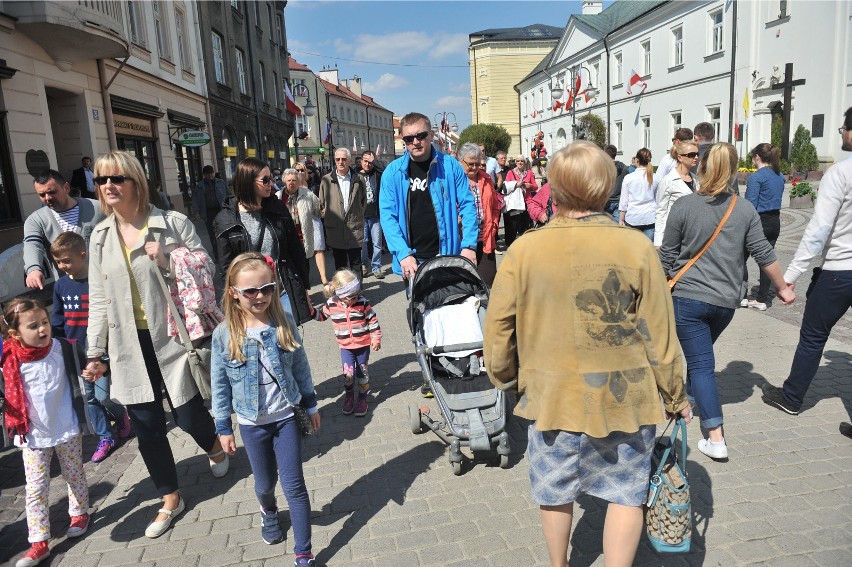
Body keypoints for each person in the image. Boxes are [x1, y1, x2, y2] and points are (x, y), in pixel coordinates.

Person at [483, 141, 690, 567]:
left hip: (551, 395)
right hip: (625, 397)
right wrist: (674, 394)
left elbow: (499, 325)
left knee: (554, 490)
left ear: (553, 188)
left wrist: (504, 377)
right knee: (627, 492)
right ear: (605, 186)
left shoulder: (523, 250)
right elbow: (659, 335)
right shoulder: (637, 248)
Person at [84, 151, 228, 539]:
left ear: (136, 181)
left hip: (173, 334)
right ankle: (170, 497)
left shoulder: (172, 223)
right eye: (101, 180)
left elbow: (207, 267)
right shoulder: (98, 236)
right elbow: (98, 298)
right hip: (127, 343)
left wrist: (167, 259)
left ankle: (213, 444)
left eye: (116, 178)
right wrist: (94, 352)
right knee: (147, 425)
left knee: (187, 412)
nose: (108, 186)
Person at [659, 143, 795, 460]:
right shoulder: (744, 210)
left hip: (688, 299)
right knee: (701, 357)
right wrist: (783, 288)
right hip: (725, 303)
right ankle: (693, 393)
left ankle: (716, 438)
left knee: (703, 365)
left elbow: (666, 257)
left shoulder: (685, 206)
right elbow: (764, 253)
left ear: (701, 168)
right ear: (735, 171)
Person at [211, 253, 319, 565]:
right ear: (233, 292)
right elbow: (219, 384)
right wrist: (222, 427)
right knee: (264, 484)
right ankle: (268, 510)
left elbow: (300, 366)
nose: (260, 296)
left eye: (267, 288)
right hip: (251, 423)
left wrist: (311, 403)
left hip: (286, 417)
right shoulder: (224, 334)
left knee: (295, 486)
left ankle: (304, 552)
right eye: (251, 291)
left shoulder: (283, 322)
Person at [762, 108, 852, 421]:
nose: (841, 133)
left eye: (843, 128)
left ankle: (792, 397)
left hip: (840, 271)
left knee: (813, 337)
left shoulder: (841, 173)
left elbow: (817, 231)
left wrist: (788, 277)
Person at [1, 298, 92, 567]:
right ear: (15, 334)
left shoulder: (61, 348)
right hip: (32, 436)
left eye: (44, 322)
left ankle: (79, 512)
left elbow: (82, 365)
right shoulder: (9, 359)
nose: (43, 329)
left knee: (73, 473)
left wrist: (91, 372)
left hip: (66, 426)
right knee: (36, 488)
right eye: (33, 326)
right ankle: (39, 541)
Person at [50, 232, 131, 463]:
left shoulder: (98, 281)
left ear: (82, 255)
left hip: (101, 349)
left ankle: (121, 414)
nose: (62, 266)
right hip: (77, 354)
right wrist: (59, 347)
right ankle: (105, 437)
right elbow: (57, 321)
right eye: (58, 262)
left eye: (66, 260)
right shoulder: (60, 286)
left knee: (104, 396)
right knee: (89, 399)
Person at [378, 111, 478, 281]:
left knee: (453, 305)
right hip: (413, 260)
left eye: (421, 135)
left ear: (431, 135)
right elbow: (388, 217)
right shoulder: (392, 173)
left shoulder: (450, 166)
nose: (415, 142)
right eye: (409, 139)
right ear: (404, 140)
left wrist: (469, 245)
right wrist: (403, 254)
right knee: (418, 307)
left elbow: (468, 205)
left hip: (448, 255)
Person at [213, 158, 313, 324]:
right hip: (250, 297)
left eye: (271, 179)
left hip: (281, 291)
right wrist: (234, 299)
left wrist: (303, 287)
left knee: (290, 343)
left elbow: (295, 249)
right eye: (265, 180)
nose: (271, 183)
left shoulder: (277, 208)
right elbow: (226, 266)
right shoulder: (225, 219)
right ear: (247, 182)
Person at [314, 269, 381, 417]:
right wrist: (309, 310)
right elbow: (321, 316)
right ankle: (349, 396)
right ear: (341, 295)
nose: (356, 297)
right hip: (345, 347)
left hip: (362, 346)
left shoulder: (362, 302)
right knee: (348, 374)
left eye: (358, 294)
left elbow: (373, 320)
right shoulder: (332, 304)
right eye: (352, 296)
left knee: (362, 373)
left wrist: (376, 337)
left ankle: (363, 399)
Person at [24, 170, 103, 290]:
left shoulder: (98, 209)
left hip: (103, 285)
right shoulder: (36, 220)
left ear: (66, 187)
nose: (47, 198)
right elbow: (32, 244)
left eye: (52, 192)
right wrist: (33, 269)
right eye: (42, 195)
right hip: (68, 291)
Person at [742, 143, 786, 310]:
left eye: (753, 157)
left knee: (741, 257)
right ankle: (762, 299)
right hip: (775, 221)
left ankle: (742, 296)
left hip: (758, 221)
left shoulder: (756, 177)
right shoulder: (779, 175)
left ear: (757, 157)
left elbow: (750, 204)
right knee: (766, 260)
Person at [319, 148, 367, 279]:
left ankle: (356, 293)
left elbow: (363, 202)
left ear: (349, 161)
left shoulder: (359, 179)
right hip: (335, 228)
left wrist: (356, 216)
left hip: (354, 226)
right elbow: (322, 204)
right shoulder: (326, 180)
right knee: (340, 264)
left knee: (356, 263)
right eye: (338, 159)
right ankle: (343, 292)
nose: (341, 162)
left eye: (344, 159)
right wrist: (329, 217)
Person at [458, 143, 500, 286]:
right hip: (462, 240)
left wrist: (493, 225)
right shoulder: (455, 180)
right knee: (466, 284)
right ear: (460, 161)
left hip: (485, 237)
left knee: (487, 282)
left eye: (477, 164)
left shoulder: (486, 179)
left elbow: (495, 206)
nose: (475, 168)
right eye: (471, 164)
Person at [654, 140, 700, 248]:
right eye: (691, 155)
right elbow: (661, 211)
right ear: (680, 157)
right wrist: (658, 242)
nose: (696, 157)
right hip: (674, 235)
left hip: (693, 235)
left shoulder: (696, 179)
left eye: (697, 154)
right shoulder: (668, 181)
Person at [281, 169, 322, 268]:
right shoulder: (278, 196)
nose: (291, 183)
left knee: (303, 268)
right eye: (289, 181)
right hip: (285, 240)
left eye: (294, 180)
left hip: (302, 239)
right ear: (284, 182)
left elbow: (318, 211)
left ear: (299, 182)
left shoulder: (308, 194)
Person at [619, 148, 657, 240]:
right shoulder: (655, 177)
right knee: (647, 250)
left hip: (633, 217)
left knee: (632, 249)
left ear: (637, 160)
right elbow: (658, 199)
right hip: (650, 217)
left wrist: (621, 219)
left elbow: (624, 201)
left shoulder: (629, 178)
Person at [359, 151, 384, 279]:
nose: (367, 164)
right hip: (362, 215)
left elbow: (385, 169)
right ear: (361, 161)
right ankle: (364, 265)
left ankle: (376, 267)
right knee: (363, 242)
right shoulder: (356, 175)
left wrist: (375, 161)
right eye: (365, 161)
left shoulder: (376, 174)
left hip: (375, 214)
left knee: (377, 243)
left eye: (369, 161)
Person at [193, 165, 227, 259]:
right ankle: (216, 254)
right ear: (204, 175)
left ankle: (224, 253)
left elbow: (228, 195)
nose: (210, 176)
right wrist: (196, 212)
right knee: (212, 234)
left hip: (220, 211)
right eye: (207, 174)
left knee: (222, 232)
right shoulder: (200, 186)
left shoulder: (221, 182)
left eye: (211, 173)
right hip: (208, 213)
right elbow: (195, 199)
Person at [503, 155, 537, 248]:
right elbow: (506, 185)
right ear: (515, 162)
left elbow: (535, 186)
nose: (520, 163)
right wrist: (516, 185)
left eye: (522, 161)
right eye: (518, 161)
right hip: (516, 203)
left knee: (526, 223)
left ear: (525, 162)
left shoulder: (529, 173)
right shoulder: (511, 172)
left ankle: (525, 244)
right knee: (514, 224)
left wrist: (530, 186)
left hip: (527, 201)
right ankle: (512, 244)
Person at [603, 145, 629, 220]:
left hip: (605, 201)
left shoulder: (602, 167)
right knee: (618, 228)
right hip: (619, 201)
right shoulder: (624, 167)